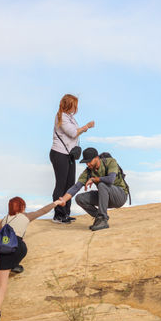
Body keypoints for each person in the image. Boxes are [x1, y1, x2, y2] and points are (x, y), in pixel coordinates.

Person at [0, 197, 60, 321]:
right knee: (20, 248)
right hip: (17, 248)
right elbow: (43, 211)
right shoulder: (26, 217)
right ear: (22, 207)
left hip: (1, 250)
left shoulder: (5, 219)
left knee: (1, 286)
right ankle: (14, 265)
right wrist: (56, 202)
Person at [57, 147, 129, 231]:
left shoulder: (110, 162)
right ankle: (99, 218)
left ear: (97, 158)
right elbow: (76, 187)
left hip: (120, 196)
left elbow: (110, 179)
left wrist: (94, 179)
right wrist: (64, 200)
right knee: (80, 198)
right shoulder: (88, 171)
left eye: (89, 161)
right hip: (105, 198)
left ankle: (103, 219)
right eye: (86, 162)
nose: (88, 164)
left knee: (102, 184)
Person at [50, 94, 95, 224]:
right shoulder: (61, 117)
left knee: (70, 184)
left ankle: (66, 213)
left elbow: (75, 131)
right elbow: (74, 132)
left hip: (68, 154)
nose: (76, 108)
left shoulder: (69, 117)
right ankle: (58, 215)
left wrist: (82, 129)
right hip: (59, 153)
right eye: (74, 105)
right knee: (61, 184)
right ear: (69, 105)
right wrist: (86, 126)